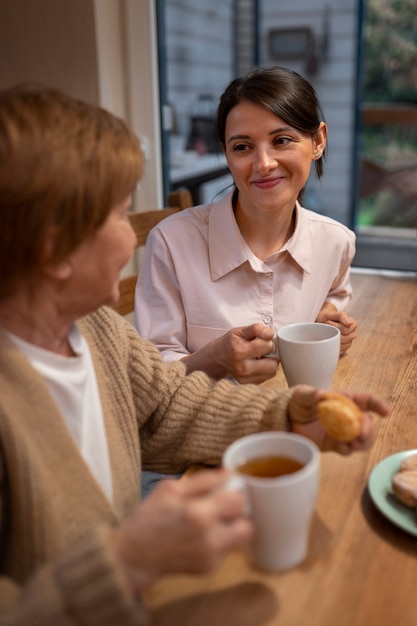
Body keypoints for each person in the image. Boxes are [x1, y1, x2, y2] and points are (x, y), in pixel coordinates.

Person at [0, 83, 389, 626]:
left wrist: (286, 417)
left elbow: (166, 408)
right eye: (119, 213)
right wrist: (127, 562)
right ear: (52, 248)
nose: (131, 236)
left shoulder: (94, 331)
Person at [135, 66, 358, 386]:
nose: (264, 164)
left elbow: (336, 292)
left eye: (281, 140)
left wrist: (326, 316)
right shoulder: (171, 243)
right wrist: (211, 360)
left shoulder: (336, 242)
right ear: (226, 153)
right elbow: (150, 372)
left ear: (318, 141)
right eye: (242, 147)